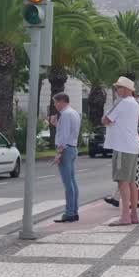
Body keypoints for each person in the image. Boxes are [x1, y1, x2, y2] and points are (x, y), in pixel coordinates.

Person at [102, 76, 139, 226]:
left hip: (121, 147)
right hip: (131, 146)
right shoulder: (135, 103)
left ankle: (125, 216)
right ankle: (134, 215)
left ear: (126, 89)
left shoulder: (123, 103)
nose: (116, 90)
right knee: (131, 182)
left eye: (118, 87)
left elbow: (106, 120)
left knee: (122, 182)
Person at [50, 92, 82, 222]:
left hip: (66, 149)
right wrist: (56, 124)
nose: (55, 105)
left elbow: (64, 135)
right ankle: (74, 211)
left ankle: (69, 213)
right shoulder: (73, 113)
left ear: (61, 101)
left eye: (55, 102)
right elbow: (69, 130)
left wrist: (59, 153)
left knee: (68, 183)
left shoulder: (66, 114)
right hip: (72, 148)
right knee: (72, 182)